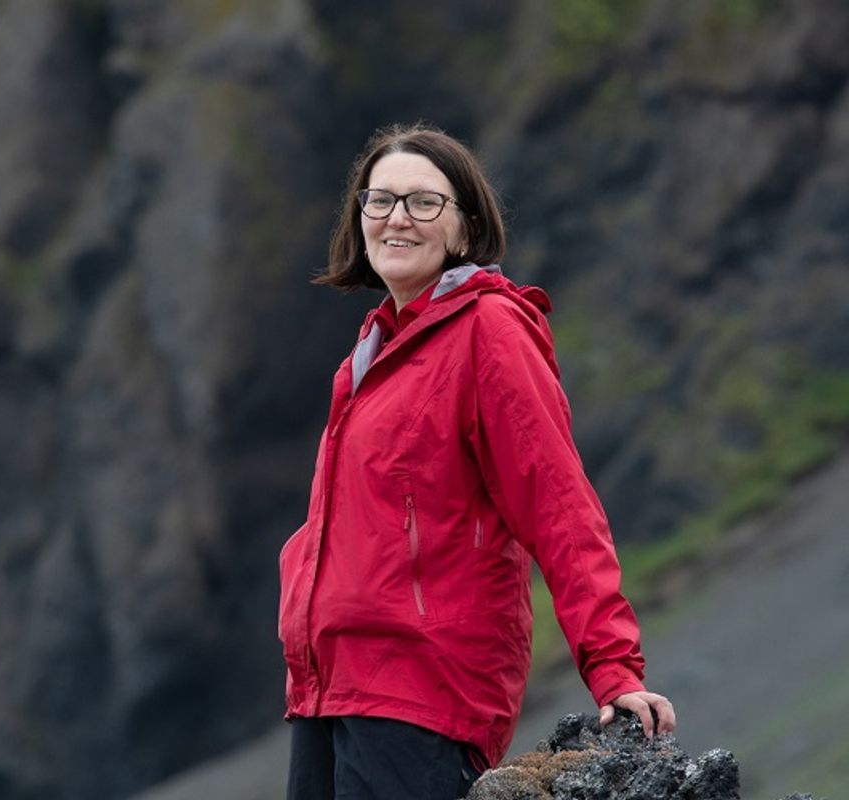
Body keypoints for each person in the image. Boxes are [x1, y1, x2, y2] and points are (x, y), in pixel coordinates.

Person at [277, 123, 675, 800]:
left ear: (464, 229)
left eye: (424, 202)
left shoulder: (489, 332)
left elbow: (557, 504)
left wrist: (614, 668)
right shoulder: (369, 357)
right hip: (327, 692)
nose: (397, 218)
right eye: (380, 201)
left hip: (420, 693)